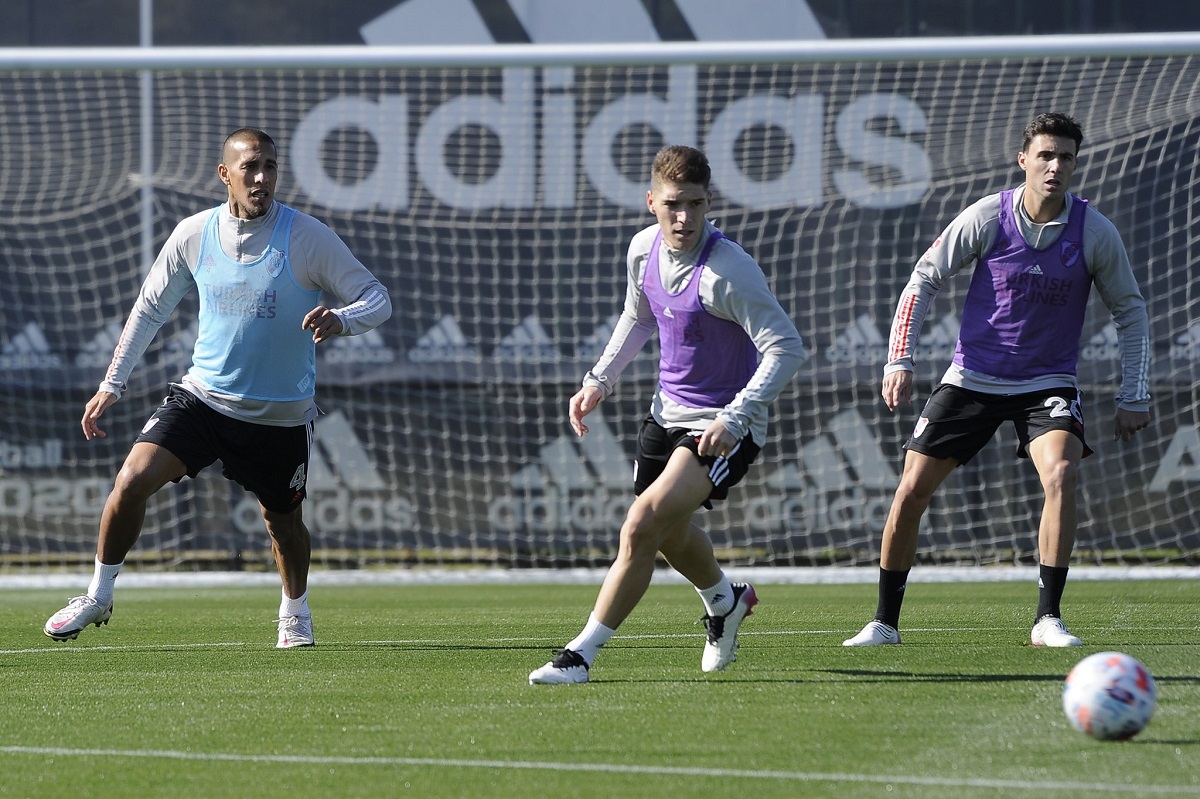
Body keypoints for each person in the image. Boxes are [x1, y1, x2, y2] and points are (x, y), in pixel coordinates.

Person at [44, 128, 392, 648]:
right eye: (250, 167)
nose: (261, 178)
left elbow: (377, 297)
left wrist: (343, 318)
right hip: (203, 400)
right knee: (131, 480)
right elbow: (150, 309)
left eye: (270, 167)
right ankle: (98, 594)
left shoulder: (306, 236)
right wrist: (112, 383)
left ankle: (295, 610)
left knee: (284, 527)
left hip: (279, 416)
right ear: (224, 174)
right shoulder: (193, 234)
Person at [843, 112, 1151, 649]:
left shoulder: (1094, 230)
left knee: (1061, 474)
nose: (1056, 167)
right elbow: (923, 279)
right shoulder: (988, 216)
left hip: (1048, 382)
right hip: (973, 377)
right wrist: (899, 359)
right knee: (911, 491)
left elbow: (1131, 310)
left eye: (1067, 158)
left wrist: (1135, 392)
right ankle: (884, 623)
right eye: (1046, 155)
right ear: (1023, 160)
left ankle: (1047, 619)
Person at [529, 144, 807, 684]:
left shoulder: (729, 271)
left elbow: (786, 346)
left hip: (722, 425)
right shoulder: (642, 250)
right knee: (670, 534)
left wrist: (738, 415)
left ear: (709, 203)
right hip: (665, 415)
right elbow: (637, 318)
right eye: (674, 204)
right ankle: (724, 602)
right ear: (651, 201)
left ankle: (580, 656)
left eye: (696, 205)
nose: (685, 218)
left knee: (640, 526)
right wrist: (599, 380)